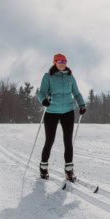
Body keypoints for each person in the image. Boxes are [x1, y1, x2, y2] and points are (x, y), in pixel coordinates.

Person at [37, 53, 86, 182]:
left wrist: (82, 105)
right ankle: (43, 167)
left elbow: (76, 92)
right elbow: (41, 92)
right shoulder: (48, 76)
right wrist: (44, 100)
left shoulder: (70, 77)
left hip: (68, 112)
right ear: (54, 62)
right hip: (51, 112)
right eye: (59, 61)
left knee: (68, 142)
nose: (62, 63)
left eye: (64, 61)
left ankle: (69, 171)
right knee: (50, 140)